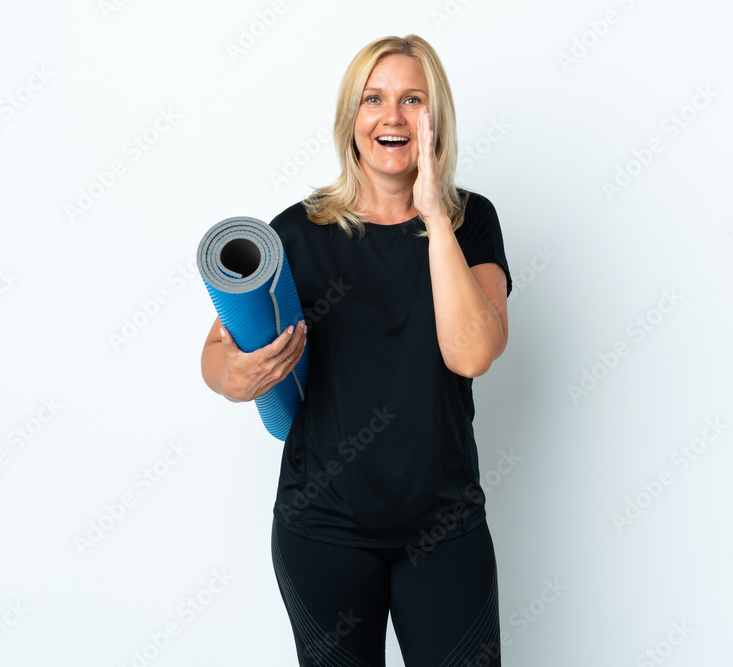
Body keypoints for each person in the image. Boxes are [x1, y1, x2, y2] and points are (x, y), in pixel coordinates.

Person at [200, 34, 512, 667]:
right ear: (352, 118)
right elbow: (216, 355)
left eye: (411, 100)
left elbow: (472, 353)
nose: (391, 116)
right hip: (324, 528)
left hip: (443, 526)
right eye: (374, 98)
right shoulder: (297, 230)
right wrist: (237, 376)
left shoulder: (470, 220)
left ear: (436, 118)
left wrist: (433, 214)